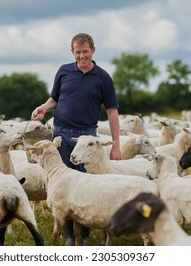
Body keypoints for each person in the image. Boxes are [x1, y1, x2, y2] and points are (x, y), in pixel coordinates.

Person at [31, 33, 122, 245]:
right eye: (77, 52)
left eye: (85, 51)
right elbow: (55, 98)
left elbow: (112, 111)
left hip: (86, 136)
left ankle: (85, 234)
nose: (81, 56)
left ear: (93, 50)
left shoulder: (103, 77)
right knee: (63, 184)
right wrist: (44, 108)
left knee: (86, 184)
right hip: (60, 133)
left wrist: (115, 145)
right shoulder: (64, 71)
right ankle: (70, 236)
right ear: (72, 52)